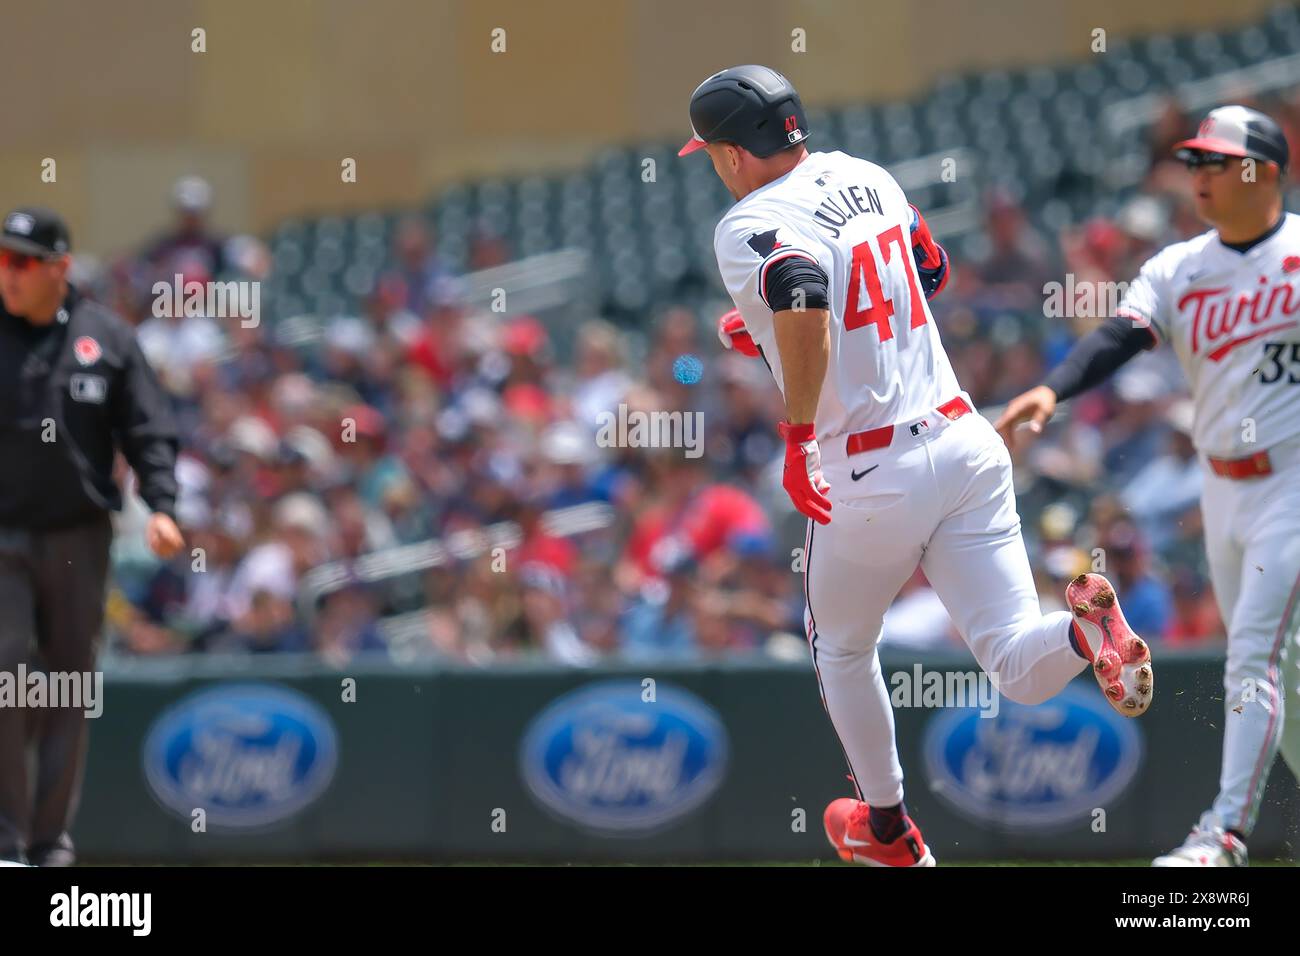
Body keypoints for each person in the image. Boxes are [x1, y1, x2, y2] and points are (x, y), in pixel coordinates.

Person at [680, 65, 1154, 867]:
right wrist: (766, 325)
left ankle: (888, 826)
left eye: (715, 153)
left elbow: (800, 292)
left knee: (839, 647)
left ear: (730, 154)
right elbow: (927, 273)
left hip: (870, 470)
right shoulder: (867, 174)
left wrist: (797, 436)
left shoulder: (746, 219)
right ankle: (1084, 634)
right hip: (966, 442)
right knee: (1014, 662)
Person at [997, 105, 1300, 867]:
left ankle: (1221, 835)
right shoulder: (1179, 266)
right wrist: (1054, 390)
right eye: (1192, 161)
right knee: (1281, 675)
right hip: (1223, 487)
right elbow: (1118, 336)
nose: (1196, 174)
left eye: (1213, 162)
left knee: (1254, 658)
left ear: (1261, 170)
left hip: (1294, 475)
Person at [0, 207, 184, 865]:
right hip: (4, 538)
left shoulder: (104, 337)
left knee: (69, 688)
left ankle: (49, 843)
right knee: (10, 668)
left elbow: (148, 428)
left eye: (22, 262)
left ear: (59, 268)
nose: (9, 274)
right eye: (2, 260)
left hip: (80, 536)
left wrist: (161, 504)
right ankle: (7, 841)